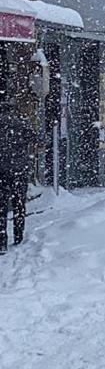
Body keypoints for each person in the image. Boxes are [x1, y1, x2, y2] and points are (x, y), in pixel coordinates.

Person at [0, 101, 34, 254]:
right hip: (19, 169)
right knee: (19, 203)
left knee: (1, 205)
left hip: (1, 169)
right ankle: (18, 235)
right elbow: (38, 140)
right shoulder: (22, 124)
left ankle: (1, 240)